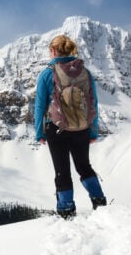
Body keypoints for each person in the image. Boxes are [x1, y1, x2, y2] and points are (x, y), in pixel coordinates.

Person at [34, 34, 107, 218]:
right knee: (84, 166)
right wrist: (92, 129)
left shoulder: (47, 73)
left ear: (53, 50)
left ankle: (66, 209)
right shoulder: (85, 72)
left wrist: (39, 132)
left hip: (56, 128)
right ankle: (99, 201)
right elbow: (93, 103)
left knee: (62, 171)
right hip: (81, 127)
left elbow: (40, 105)